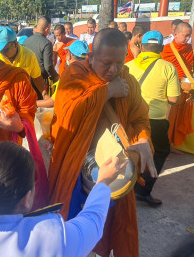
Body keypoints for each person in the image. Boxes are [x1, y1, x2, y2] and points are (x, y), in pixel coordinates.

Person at [49, 28, 157, 257]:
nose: (113, 70)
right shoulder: (74, 74)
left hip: (114, 167)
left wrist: (144, 139)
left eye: (119, 63)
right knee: (74, 225)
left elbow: (140, 118)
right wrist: (106, 92)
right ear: (91, 58)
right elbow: (67, 116)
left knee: (108, 224)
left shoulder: (128, 81)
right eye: (106, 63)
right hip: (76, 168)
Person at [127, 31, 181, 206]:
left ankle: (126, 188)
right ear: (162, 48)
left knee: (130, 152)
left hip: (130, 118)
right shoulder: (168, 67)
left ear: (141, 46)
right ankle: (143, 190)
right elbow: (174, 99)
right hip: (155, 121)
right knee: (160, 152)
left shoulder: (128, 65)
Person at [161, 22, 194, 147]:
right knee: (168, 119)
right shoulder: (166, 49)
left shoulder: (189, 48)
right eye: (185, 35)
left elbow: (189, 68)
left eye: (189, 36)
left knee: (178, 119)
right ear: (175, 34)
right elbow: (163, 71)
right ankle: (163, 146)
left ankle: (171, 145)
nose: (187, 38)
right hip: (171, 89)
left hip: (185, 88)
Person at [0, 26, 46, 98]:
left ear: (15, 44)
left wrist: (45, 94)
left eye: (5, 49)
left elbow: (36, 77)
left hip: (23, 98)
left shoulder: (29, 55)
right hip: (2, 100)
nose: (1, 52)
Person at [37, 40, 89, 109]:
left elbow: (54, 101)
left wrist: (34, 103)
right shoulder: (89, 74)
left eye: (67, 52)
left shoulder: (68, 77)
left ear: (69, 55)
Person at [24, 17, 59, 91]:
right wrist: (56, 77)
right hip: (40, 80)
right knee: (41, 101)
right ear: (47, 29)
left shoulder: (26, 41)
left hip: (26, 78)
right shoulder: (47, 43)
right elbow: (48, 66)